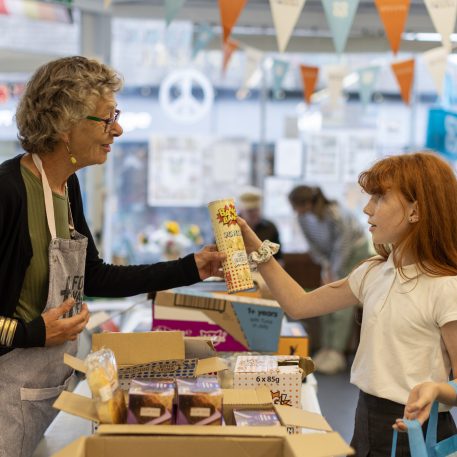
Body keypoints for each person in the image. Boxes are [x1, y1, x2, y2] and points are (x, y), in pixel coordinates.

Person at [0, 56, 225, 457]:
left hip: (45, 391)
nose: (117, 130)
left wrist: (191, 267)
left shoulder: (66, 189)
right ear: (64, 123)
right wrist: (31, 333)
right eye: (106, 119)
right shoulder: (7, 194)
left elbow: (95, 277)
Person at [238, 152, 457, 456]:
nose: (367, 209)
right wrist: (256, 248)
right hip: (365, 421)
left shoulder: (446, 287)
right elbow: (298, 304)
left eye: (379, 198)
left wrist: (436, 390)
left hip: (419, 434)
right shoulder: (372, 272)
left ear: (415, 211)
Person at [288, 185, 371, 374]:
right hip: (331, 259)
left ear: (307, 203)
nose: (295, 211)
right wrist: (326, 268)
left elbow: (344, 246)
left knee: (342, 300)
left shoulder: (335, 214)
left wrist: (335, 271)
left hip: (353, 254)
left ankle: (336, 352)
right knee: (325, 297)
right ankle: (325, 348)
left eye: (297, 206)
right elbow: (315, 247)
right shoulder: (302, 219)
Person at [237, 186, 282, 261]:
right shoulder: (230, 228)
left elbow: (279, 258)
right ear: (241, 211)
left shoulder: (270, 227)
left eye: (256, 209)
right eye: (250, 210)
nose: (254, 213)